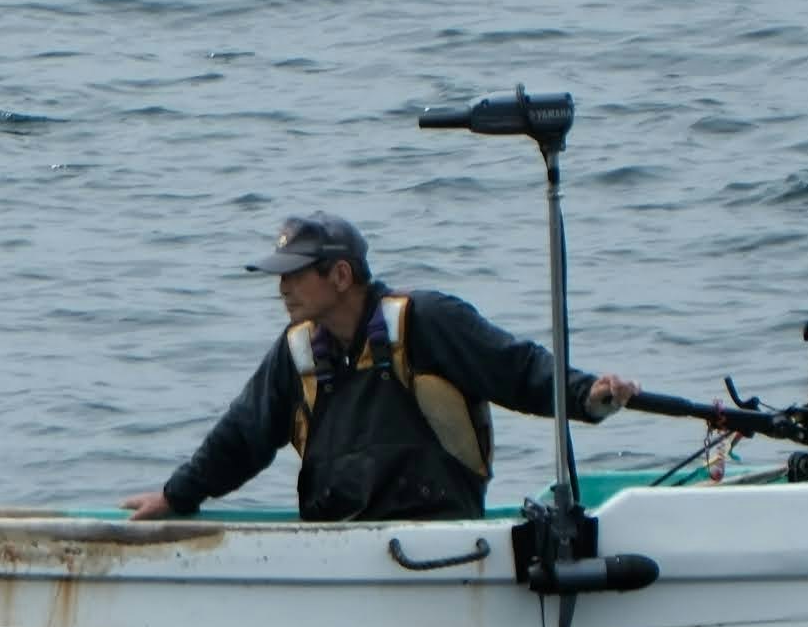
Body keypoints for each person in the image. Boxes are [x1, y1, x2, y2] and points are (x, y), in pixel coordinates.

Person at [126, 211, 640, 523]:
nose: (282, 289)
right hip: (339, 537)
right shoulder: (297, 351)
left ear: (341, 275)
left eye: (295, 276)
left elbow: (520, 369)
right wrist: (177, 496)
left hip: (435, 534)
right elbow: (241, 436)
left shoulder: (429, 320)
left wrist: (586, 396)